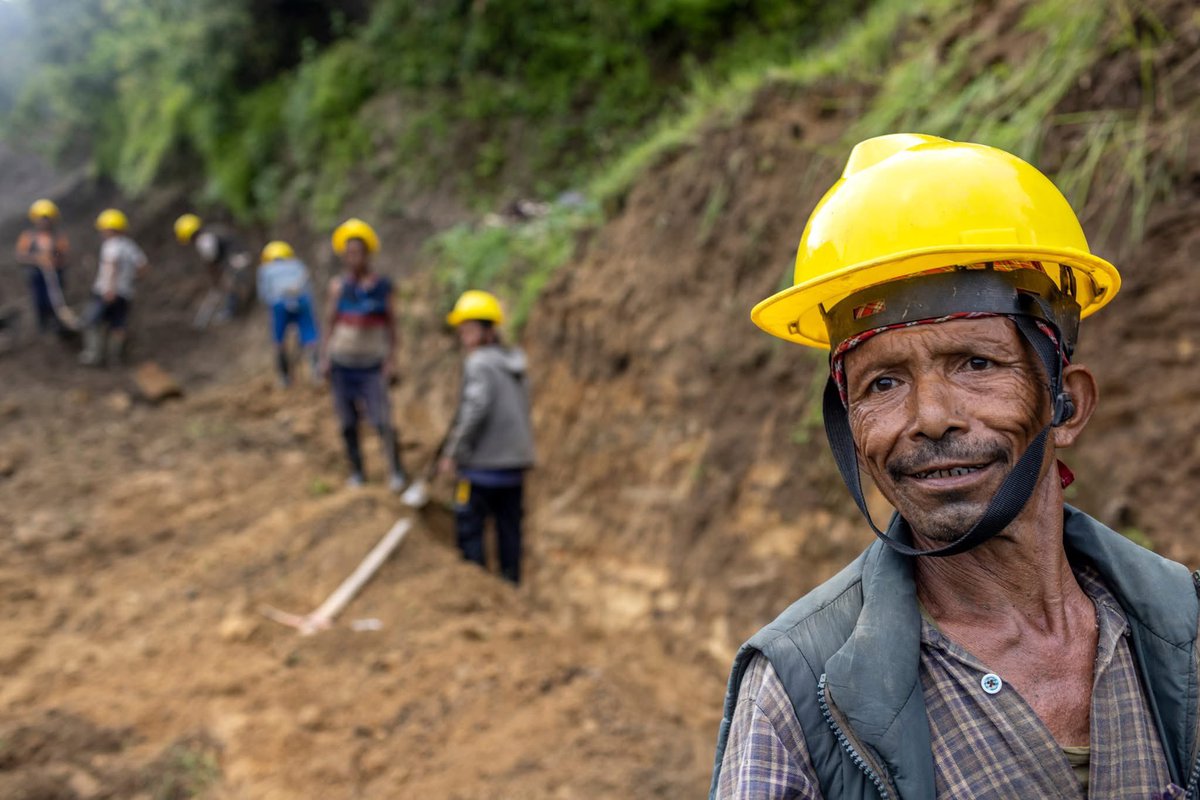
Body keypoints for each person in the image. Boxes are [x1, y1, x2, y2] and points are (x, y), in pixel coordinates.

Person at [710, 134, 1200, 799]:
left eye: (976, 363)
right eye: (882, 383)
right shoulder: (798, 693)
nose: (931, 416)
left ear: (1068, 405)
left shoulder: (1185, 631)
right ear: (849, 425)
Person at [438, 290, 534, 584]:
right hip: (514, 465)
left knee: (470, 529)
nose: (463, 336)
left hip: (482, 468)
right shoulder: (515, 363)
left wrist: (454, 452)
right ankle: (510, 586)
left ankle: (476, 590)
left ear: (487, 331)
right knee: (509, 532)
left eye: (468, 329)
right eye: (462, 330)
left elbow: (475, 409)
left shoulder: (479, 363)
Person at [319, 218, 408, 492]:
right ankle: (358, 471)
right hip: (342, 364)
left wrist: (392, 360)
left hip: (372, 365)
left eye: (357, 252)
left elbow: (392, 325)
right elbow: (330, 322)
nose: (353, 258)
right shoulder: (338, 287)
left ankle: (396, 471)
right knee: (348, 423)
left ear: (367, 254)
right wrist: (325, 357)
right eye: (348, 253)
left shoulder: (383, 288)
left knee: (381, 420)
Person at [80, 209, 147, 366]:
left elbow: (112, 266)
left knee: (91, 321)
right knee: (118, 325)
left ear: (109, 228)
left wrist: (109, 288)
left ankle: (93, 355)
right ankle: (114, 358)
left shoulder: (111, 245)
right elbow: (143, 268)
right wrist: (129, 280)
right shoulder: (130, 246)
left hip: (107, 291)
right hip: (125, 293)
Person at [174, 213, 254, 327]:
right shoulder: (212, 230)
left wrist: (216, 280)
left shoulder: (203, 240)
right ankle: (239, 306)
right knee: (232, 282)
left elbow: (211, 262)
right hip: (242, 255)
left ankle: (231, 312)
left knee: (230, 284)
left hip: (236, 260)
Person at [257, 240, 319, 386]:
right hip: (302, 301)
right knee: (310, 336)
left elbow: (264, 295)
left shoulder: (265, 269)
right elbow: (308, 288)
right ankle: (316, 371)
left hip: (279, 304)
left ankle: (284, 378)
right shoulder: (297, 265)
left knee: (279, 341)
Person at [14, 198, 71, 335]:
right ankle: (43, 327)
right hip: (36, 276)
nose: (44, 221)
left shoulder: (58, 237)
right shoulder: (28, 237)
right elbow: (20, 257)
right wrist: (37, 260)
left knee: (55, 300)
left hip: (55, 276)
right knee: (40, 301)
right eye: (41, 218)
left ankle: (58, 324)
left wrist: (54, 262)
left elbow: (64, 256)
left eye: (47, 218)